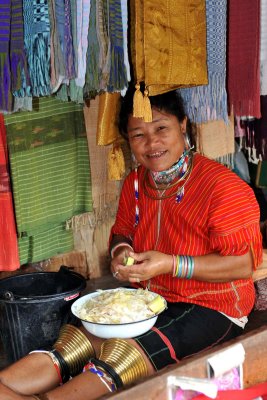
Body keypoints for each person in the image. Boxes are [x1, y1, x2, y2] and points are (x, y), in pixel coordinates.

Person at [0, 88, 263, 400]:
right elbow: (122, 233)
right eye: (139, 134)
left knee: (125, 355)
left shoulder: (222, 186)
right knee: (77, 339)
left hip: (212, 306)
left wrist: (171, 263)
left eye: (161, 128)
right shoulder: (137, 183)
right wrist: (121, 252)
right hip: (149, 299)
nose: (151, 143)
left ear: (182, 124)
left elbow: (244, 263)